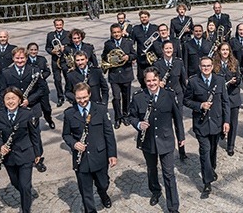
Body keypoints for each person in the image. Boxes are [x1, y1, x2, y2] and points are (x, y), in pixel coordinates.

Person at [130, 68, 185, 213]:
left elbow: (177, 118)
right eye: (148, 81)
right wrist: (138, 124)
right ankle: (155, 191)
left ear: (159, 79)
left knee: (169, 173)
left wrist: (181, 137)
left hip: (166, 140)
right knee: (152, 169)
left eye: (154, 80)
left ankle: (173, 207)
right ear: (144, 81)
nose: (152, 83)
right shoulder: (138, 97)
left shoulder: (169, 95)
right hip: (148, 142)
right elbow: (131, 116)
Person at [62, 83, 117, 212]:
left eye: (84, 97)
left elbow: (109, 133)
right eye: (78, 98)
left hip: (99, 156)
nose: (82, 101)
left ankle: (103, 194)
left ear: (90, 94)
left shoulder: (101, 109)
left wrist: (112, 154)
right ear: (74, 97)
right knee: (85, 191)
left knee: (103, 183)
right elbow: (66, 134)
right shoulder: (69, 113)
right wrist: (74, 143)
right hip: (81, 159)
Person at [183, 56, 230, 199]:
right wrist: (200, 105)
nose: (206, 68)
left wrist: (226, 121)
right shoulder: (193, 81)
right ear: (199, 67)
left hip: (216, 123)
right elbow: (186, 100)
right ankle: (207, 182)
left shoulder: (220, 80)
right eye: (203, 66)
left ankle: (212, 168)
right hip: (201, 124)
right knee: (205, 151)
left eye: (208, 66)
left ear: (212, 66)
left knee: (213, 150)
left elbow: (225, 102)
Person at [0, 87, 43, 213]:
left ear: (19, 100)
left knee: (25, 185)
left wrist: (38, 153)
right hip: (9, 156)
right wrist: (1, 145)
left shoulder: (27, 113)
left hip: (25, 153)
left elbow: (34, 134)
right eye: (7, 99)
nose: (10, 101)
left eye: (13, 98)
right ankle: (27, 194)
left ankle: (26, 209)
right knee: (15, 183)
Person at [153, 41, 189, 161]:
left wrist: (185, 96)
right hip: (164, 97)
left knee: (179, 123)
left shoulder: (178, 62)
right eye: (166, 48)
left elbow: (183, 80)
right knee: (165, 124)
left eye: (170, 48)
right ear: (162, 50)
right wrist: (159, 83)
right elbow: (153, 80)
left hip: (177, 95)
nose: (168, 50)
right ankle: (165, 150)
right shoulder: (157, 63)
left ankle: (182, 151)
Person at [0, 48, 47, 126]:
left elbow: (42, 88)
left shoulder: (35, 70)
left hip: (32, 106)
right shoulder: (6, 73)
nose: (20, 61)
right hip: (14, 108)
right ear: (13, 58)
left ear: (27, 58)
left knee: (34, 131)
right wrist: (14, 100)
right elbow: (2, 91)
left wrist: (29, 100)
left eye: (22, 58)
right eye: (17, 58)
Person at [102, 23, 137, 129]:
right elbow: (104, 56)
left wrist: (128, 57)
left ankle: (126, 115)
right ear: (111, 33)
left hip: (126, 74)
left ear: (122, 32)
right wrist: (109, 59)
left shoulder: (128, 42)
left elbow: (134, 54)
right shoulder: (108, 44)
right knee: (116, 98)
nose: (116, 34)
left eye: (118, 32)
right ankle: (118, 118)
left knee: (126, 97)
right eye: (114, 33)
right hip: (114, 75)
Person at [214, 43, 242, 156]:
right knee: (220, 119)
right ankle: (221, 132)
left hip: (232, 96)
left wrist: (236, 81)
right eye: (223, 50)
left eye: (227, 50)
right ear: (219, 51)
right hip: (220, 98)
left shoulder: (235, 62)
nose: (225, 52)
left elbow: (239, 78)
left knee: (233, 123)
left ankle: (230, 145)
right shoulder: (214, 64)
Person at [25, 43, 54, 129]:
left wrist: (41, 76)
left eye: (35, 50)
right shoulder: (25, 60)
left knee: (47, 108)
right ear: (28, 50)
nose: (33, 52)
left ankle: (49, 120)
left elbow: (47, 71)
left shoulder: (42, 59)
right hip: (32, 89)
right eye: (31, 50)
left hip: (42, 88)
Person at [45, 18, 70, 107]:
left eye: (60, 25)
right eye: (57, 25)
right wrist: (52, 51)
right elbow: (47, 47)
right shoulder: (50, 35)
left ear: (63, 25)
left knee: (68, 78)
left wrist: (65, 48)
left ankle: (68, 93)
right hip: (55, 60)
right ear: (54, 26)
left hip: (65, 59)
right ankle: (60, 97)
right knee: (57, 79)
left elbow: (71, 46)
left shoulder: (68, 34)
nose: (58, 26)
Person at [132, 10, 159, 87]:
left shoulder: (155, 28)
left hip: (153, 58)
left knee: (154, 76)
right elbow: (132, 43)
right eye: (142, 17)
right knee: (141, 77)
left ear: (148, 17)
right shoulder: (136, 29)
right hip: (141, 58)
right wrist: (133, 56)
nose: (144, 19)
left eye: (145, 17)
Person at [229, 23, 243, 112]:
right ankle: (235, 103)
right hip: (235, 67)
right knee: (235, 86)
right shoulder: (232, 41)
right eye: (240, 30)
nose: (242, 32)